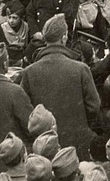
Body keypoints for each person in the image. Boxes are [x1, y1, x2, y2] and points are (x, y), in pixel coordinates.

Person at [18, 14, 101, 159]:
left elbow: (23, 111)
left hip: (43, 146)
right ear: (64, 38)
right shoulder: (81, 69)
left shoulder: (29, 72)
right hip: (77, 144)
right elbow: (94, 106)